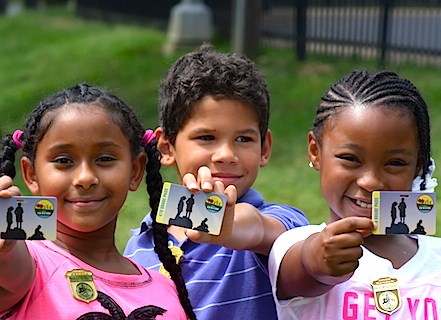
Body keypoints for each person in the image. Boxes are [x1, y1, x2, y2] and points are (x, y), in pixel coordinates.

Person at [124, 44, 309, 319]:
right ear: (166, 147)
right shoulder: (140, 244)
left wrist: (227, 224)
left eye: (244, 139)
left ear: (264, 148)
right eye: (207, 138)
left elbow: (258, 229)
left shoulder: (282, 221)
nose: (226, 155)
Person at [0, 83, 196, 319]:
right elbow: (10, 271)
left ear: (135, 170)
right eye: (63, 161)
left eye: (104, 159)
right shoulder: (31, 264)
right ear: (31, 174)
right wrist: (6, 246)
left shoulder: (166, 291)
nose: (85, 178)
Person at [268, 70, 441, 319]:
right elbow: (303, 273)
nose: (370, 182)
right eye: (350, 159)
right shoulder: (294, 244)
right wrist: (316, 262)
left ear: (418, 167)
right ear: (315, 151)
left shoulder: (436, 261)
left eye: (395, 163)